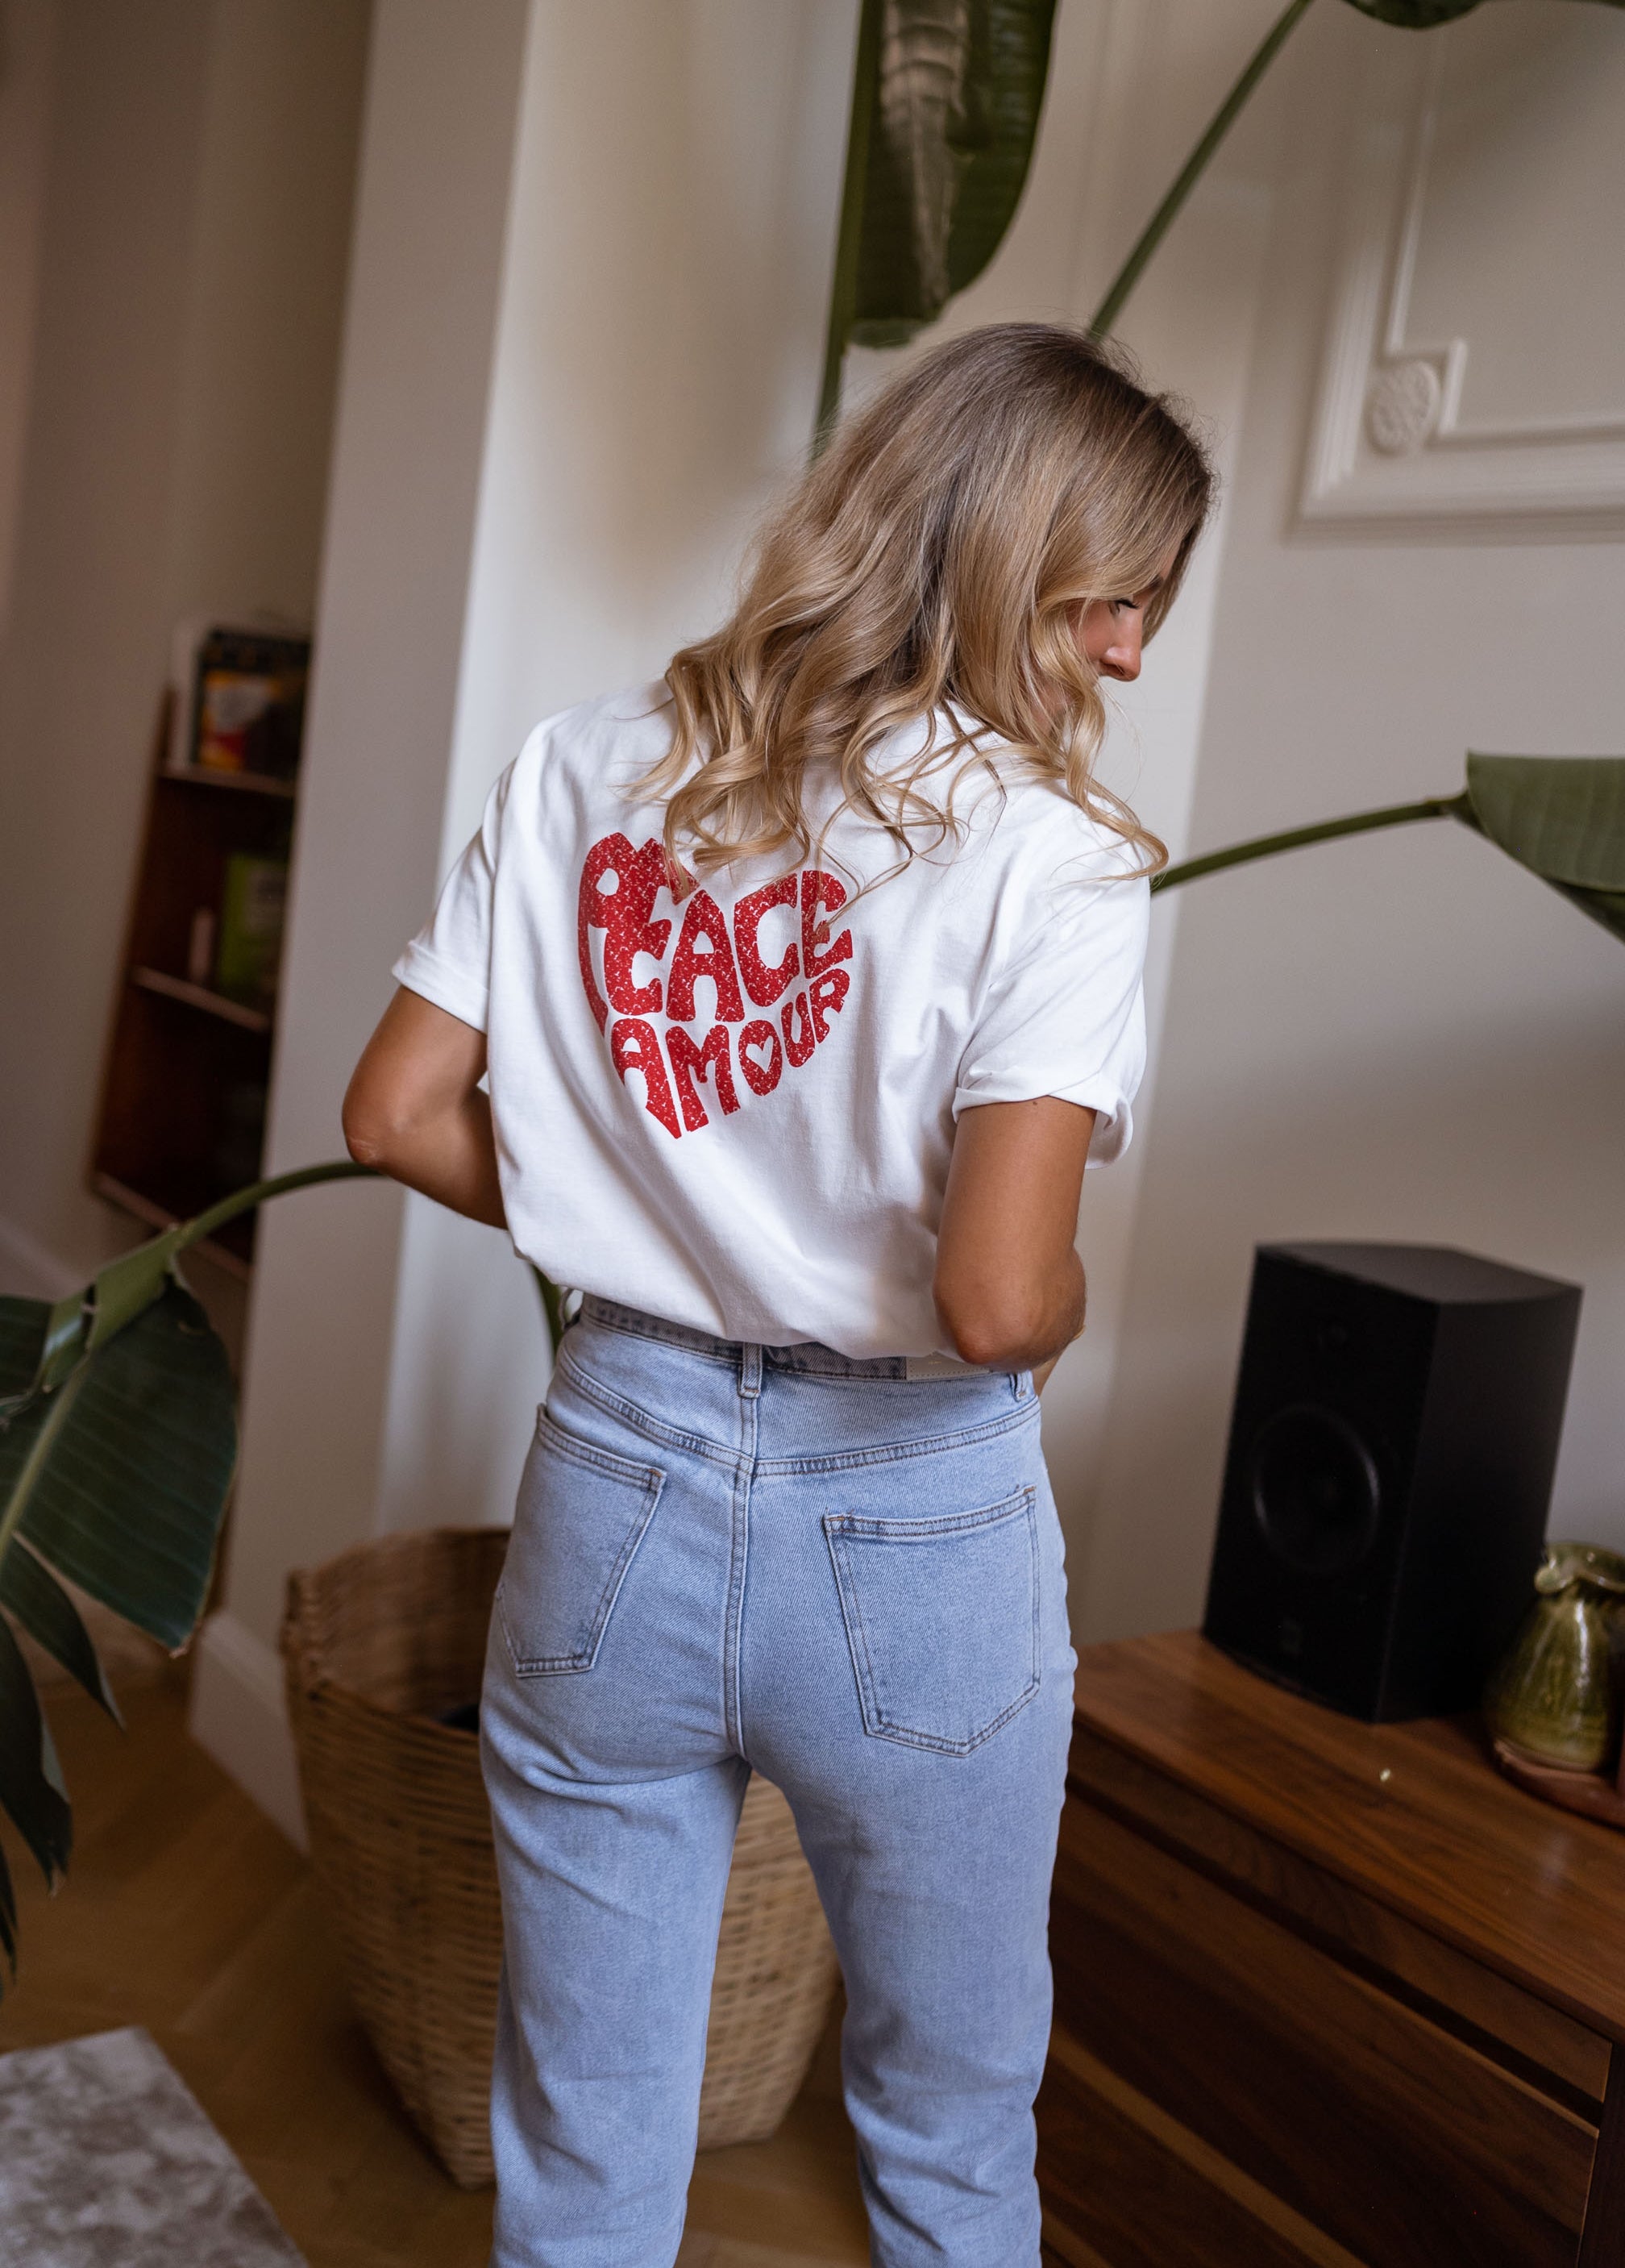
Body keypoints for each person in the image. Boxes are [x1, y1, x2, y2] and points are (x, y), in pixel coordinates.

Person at [343, 322, 1213, 2268]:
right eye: (1115, 598)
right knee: (948, 2142)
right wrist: (1062, 1301)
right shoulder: (1056, 864)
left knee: (581, 2154)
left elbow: (392, 1112)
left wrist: (629, 1225)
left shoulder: (583, 763)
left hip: (614, 1480)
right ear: (1011, 556)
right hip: (913, 1528)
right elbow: (996, 1302)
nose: (1131, 654)